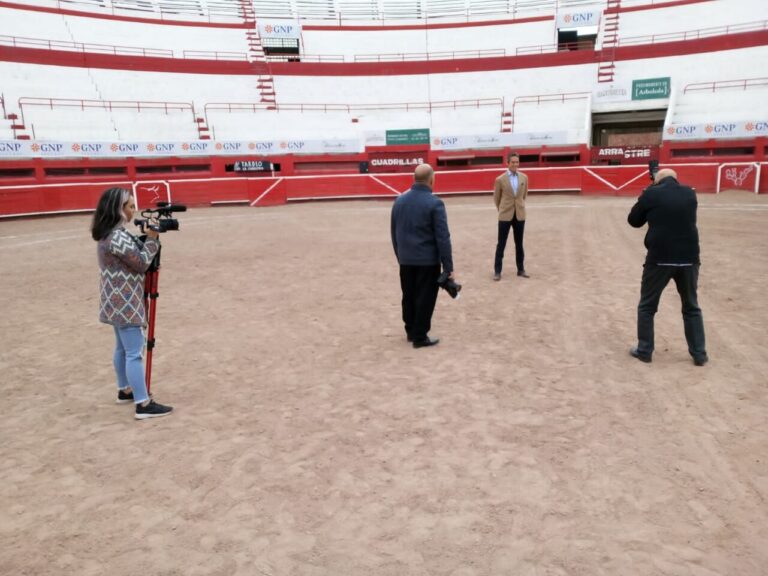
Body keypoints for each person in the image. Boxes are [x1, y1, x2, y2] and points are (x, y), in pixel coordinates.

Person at [91, 187, 174, 419]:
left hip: (114, 299)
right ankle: (143, 403)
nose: (133, 209)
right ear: (118, 209)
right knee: (134, 352)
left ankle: (125, 389)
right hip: (126, 301)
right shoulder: (117, 236)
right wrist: (152, 240)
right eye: (129, 206)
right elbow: (141, 263)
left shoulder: (108, 232)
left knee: (122, 348)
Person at [627, 168, 708, 366]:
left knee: (647, 306)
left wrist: (645, 194)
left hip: (660, 258)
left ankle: (645, 350)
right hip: (689, 258)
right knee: (691, 307)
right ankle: (699, 354)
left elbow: (634, 221)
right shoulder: (690, 193)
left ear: (657, 180)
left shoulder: (651, 194)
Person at [391, 164, 455, 348]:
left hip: (406, 259)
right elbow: (443, 237)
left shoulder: (399, 201)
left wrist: (400, 256)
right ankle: (420, 336)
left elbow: (394, 233)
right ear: (431, 179)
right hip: (427, 261)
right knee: (425, 298)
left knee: (408, 295)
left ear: (414, 178)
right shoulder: (435, 203)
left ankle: (411, 331)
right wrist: (448, 267)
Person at [493, 152, 529, 280]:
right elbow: (496, 198)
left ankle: (521, 269)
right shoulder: (500, 179)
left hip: (519, 214)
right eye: (513, 162)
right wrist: (502, 210)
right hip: (505, 215)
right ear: (507, 163)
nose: (515, 164)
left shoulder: (524, 178)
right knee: (501, 244)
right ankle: (497, 272)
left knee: (519, 244)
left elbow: (524, 196)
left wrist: (519, 206)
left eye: (517, 162)